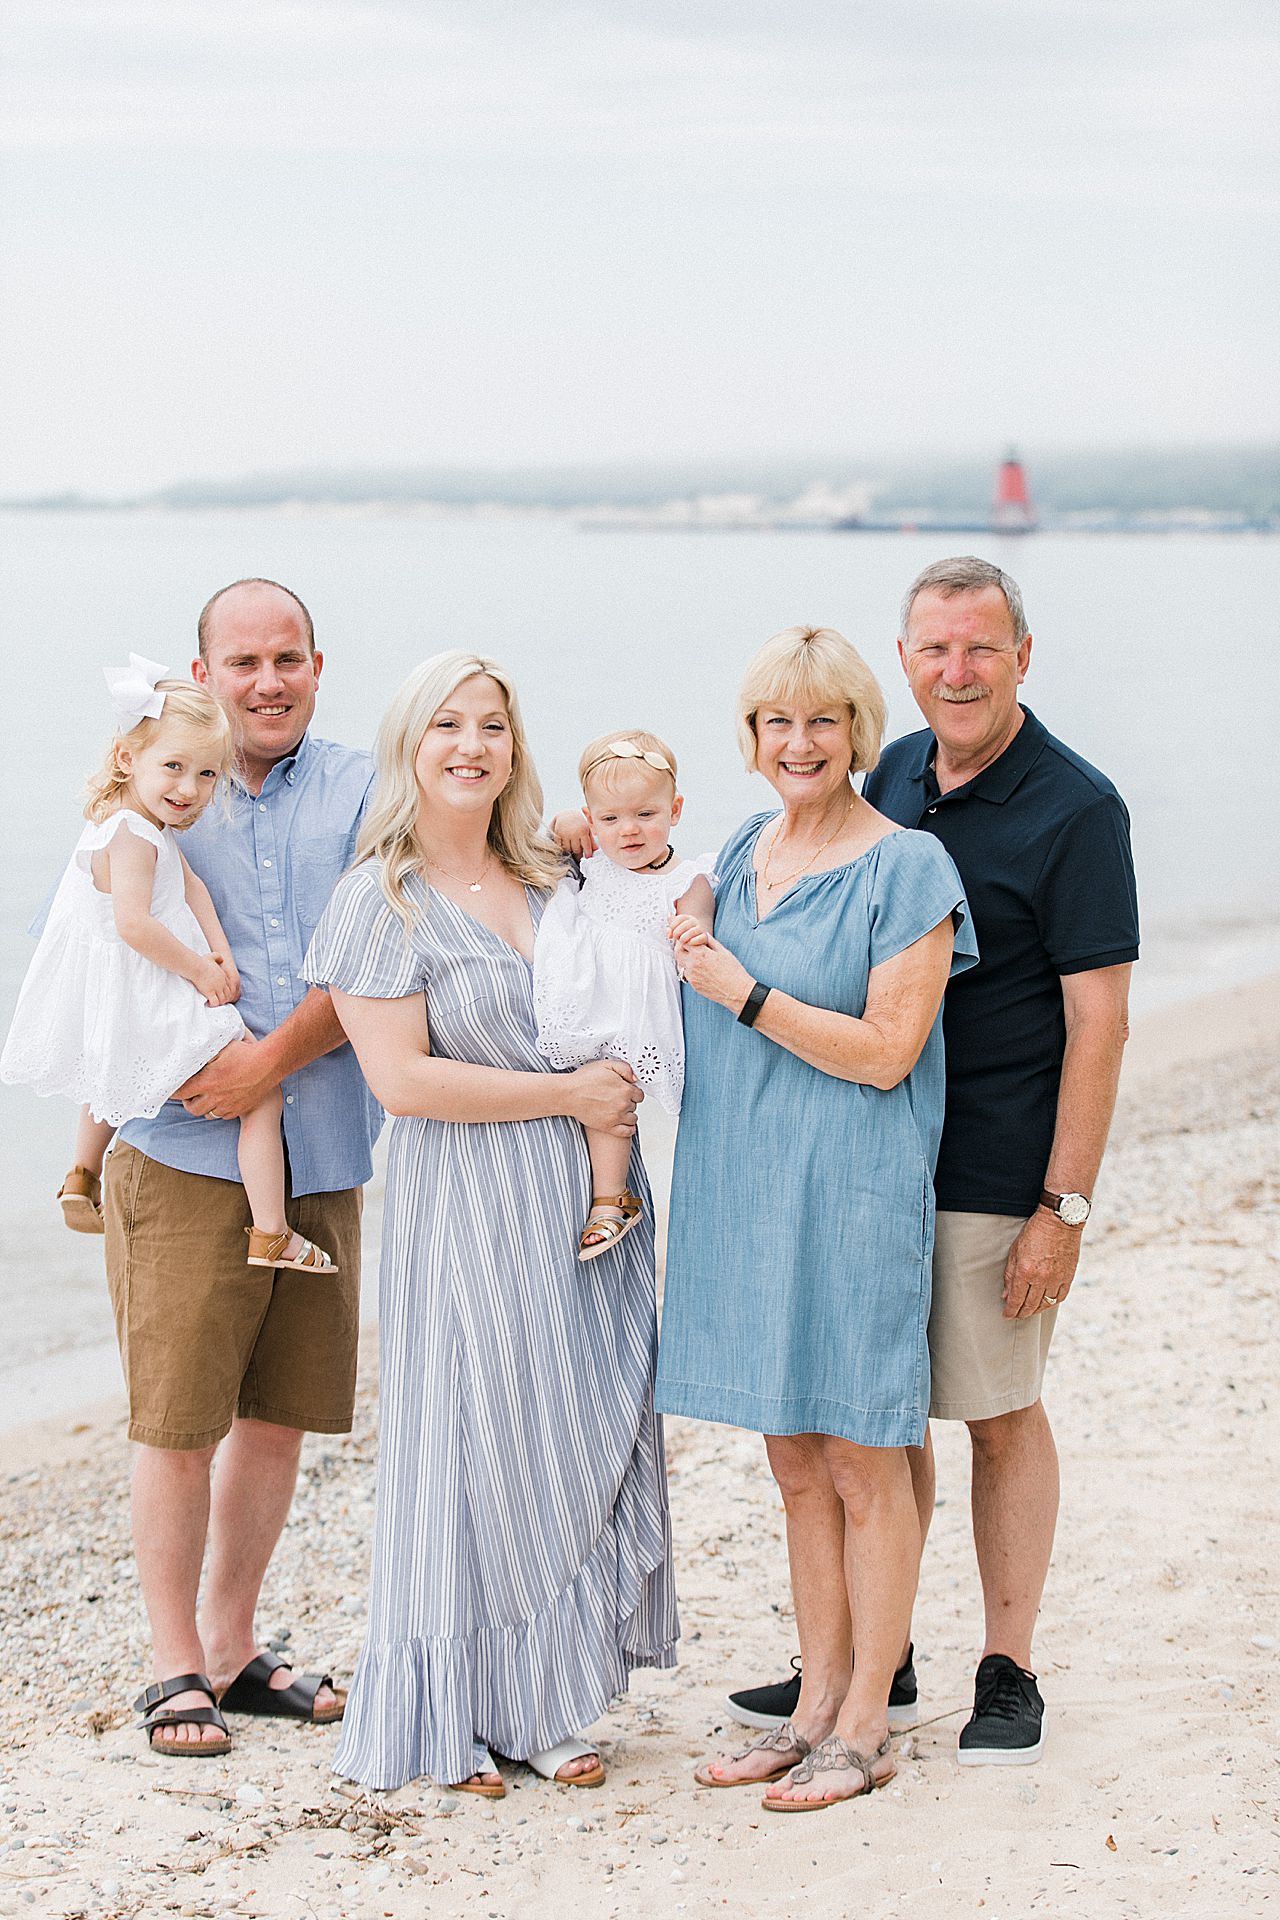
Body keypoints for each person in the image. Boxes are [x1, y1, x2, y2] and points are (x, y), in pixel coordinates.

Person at [729, 558, 1138, 1767]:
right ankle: (877, 1656)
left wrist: (1060, 1205)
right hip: (863, 1150)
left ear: (1022, 654)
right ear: (900, 659)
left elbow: (1098, 1022)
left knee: (996, 1413)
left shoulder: (1075, 806)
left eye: (980, 647)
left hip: (992, 1164)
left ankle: (1005, 1666)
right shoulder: (891, 768)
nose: (954, 671)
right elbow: (792, 858)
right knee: (871, 1412)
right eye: (932, 649)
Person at [302, 651, 679, 1797]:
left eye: (492, 727)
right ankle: (452, 1711)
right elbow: (403, 1083)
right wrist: (567, 1096)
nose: (470, 745)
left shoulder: (549, 871)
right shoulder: (377, 896)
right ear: (407, 746)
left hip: (586, 1201)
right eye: (446, 726)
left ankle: (550, 1701)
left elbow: (653, 851)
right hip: (465, 1202)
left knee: (572, 1432)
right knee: (471, 1449)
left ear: (514, 749)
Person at [654, 625, 977, 1812]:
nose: (799, 743)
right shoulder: (740, 850)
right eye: (775, 723)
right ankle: (810, 1705)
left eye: (822, 721)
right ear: (750, 740)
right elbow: (638, 860)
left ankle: (863, 1723)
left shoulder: (905, 870)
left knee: (857, 1453)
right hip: (741, 1185)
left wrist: (738, 992)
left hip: (847, 1188)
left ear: (857, 733)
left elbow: (890, 1053)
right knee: (790, 1460)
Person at [100, 579, 377, 1756]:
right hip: (181, 1148)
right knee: (177, 1421)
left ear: (318, 665)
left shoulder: (371, 786)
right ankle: (172, 1666)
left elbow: (389, 941)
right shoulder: (162, 783)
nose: (267, 681)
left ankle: (229, 1643)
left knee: (277, 1418)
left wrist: (271, 1059)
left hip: (323, 1146)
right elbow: (96, 939)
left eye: (287, 659)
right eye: (242, 661)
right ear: (202, 672)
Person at [2, 658, 334, 1277]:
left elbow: (195, 891)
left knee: (109, 1073)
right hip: (151, 1001)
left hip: (120, 1010)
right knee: (258, 1092)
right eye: (174, 767)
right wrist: (201, 972)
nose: (190, 788)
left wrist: (222, 952)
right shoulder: (131, 836)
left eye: (207, 774)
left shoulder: (131, 826)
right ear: (128, 758)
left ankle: (81, 1173)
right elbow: (134, 924)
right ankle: (271, 1231)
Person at [533, 728, 714, 1259]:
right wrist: (565, 821)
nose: (628, 831)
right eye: (610, 819)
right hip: (580, 988)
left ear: (674, 809)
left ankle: (612, 1199)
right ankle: (586, 1195)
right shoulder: (594, 855)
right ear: (592, 819)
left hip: (631, 1007)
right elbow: (547, 843)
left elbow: (696, 924)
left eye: (645, 815)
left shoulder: (688, 877)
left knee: (612, 1091)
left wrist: (690, 932)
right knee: (576, 1086)